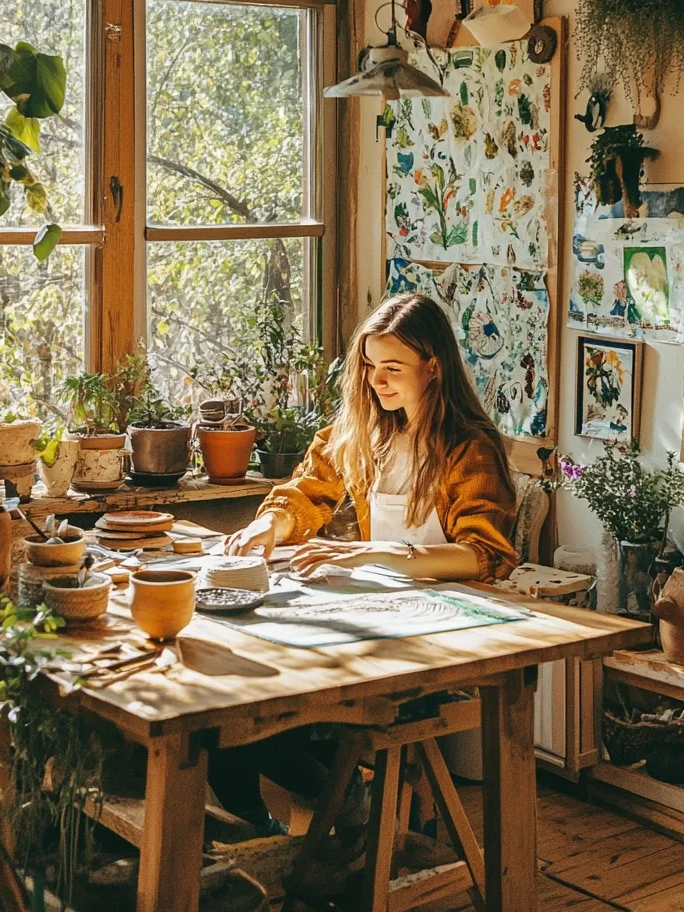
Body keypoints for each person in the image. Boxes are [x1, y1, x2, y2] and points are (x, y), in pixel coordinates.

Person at [208, 293, 519, 836]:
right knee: (230, 708)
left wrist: (372, 553)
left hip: (442, 635)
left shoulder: (469, 450)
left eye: (393, 368)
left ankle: (347, 810)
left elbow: (483, 555)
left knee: (271, 715)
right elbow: (306, 490)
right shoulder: (363, 432)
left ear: (434, 367)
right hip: (379, 618)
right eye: (371, 367)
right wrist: (269, 525)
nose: (378, 381)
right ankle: (266, 832)